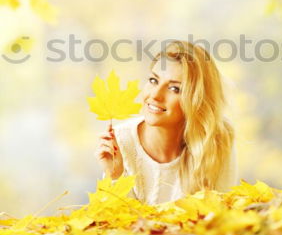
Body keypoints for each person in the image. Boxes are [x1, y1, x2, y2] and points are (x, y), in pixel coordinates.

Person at [95, 40, 239, 205]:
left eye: (174, 89)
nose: (155, 95)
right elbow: (115, 223)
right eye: (153, 80)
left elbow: (222, 215)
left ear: (196, 101)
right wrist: (115, 176)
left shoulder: (216, 137)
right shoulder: (119, 142)